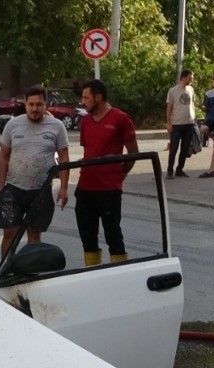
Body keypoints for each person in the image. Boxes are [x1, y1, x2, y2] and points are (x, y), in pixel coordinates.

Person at [0, 86, 70, 256]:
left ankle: (32, 267)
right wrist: (1, 188)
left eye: (39, 104)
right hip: (13, 189)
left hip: (41, 191)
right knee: (10, 233)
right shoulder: (12, 125)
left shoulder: (57, 126)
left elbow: (64, 159)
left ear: (46, 105)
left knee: (34, 233)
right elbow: (3, 158)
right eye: (31, 104)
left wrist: (64, 188)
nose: (35, 109)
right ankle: (6, 267)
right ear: (25, 104)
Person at [75, 78, 138, 266]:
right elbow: (88, 149)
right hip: (85, 187)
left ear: (98, 97)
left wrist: (121, 173)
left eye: (86, 98)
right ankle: (92, 272)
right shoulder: (86, 121)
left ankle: (118, 274)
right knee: (87, 237)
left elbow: (133, 153)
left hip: (109, 189)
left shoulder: (121, 119)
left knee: (113, 236)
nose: (82, 102)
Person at [165, 70, 196, 179]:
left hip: (189, 124)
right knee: (174, 148)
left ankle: (180, 169)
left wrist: (194, 119)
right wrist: (169, 123)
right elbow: (169, 109)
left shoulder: (191, 89)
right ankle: (170, 170)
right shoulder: (173, 91)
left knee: (185, 148)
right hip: (177, 124)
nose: (191, 80)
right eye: (190, 78)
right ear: (183, 77)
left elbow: (192, 104)